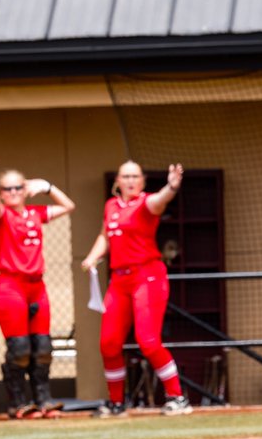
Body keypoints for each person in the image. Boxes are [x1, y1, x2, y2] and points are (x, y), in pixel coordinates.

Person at [80, 161, 189, 417]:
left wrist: (172, 187)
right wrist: (92, 257)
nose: (130, 181)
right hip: (119, 279)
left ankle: (177, 397)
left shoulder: (146, 202)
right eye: (125, 176)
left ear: (142, 180)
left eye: (135, 176)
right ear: (117, 180)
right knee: (108, 342)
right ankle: (117, 404)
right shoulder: (111, 206)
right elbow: (105, 236)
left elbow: (160, 200)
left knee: (148, 341)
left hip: (147, 275)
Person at [0, 163, 76, 419]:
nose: (13, 192)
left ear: (25, 190)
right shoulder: (1, 215)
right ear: (2, 193)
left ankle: (43, 399)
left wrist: (47, 186)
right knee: (20, 348)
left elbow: (69, 206)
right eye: (8, 189)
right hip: (11, 285)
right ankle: (18, 402)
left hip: (37, 285)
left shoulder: (35, 213)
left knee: (43, 347)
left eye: (18, 187)